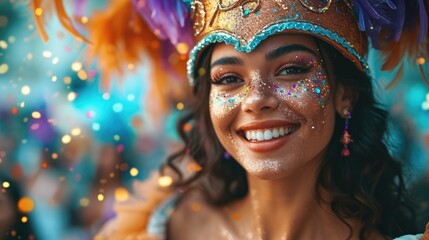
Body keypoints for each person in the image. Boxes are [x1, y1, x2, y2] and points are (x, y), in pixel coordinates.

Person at [32, 0, 429, 239]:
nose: (256, 100)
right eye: (229, 79)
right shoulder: (162, 229)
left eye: (291, 70)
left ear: (346, 94)